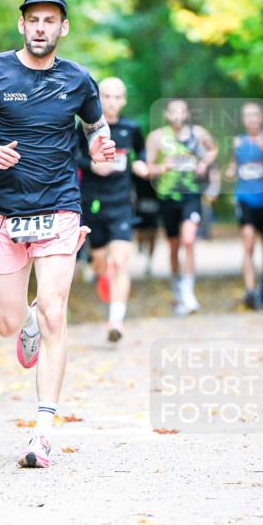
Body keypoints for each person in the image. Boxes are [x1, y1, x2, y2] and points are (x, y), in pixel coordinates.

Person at [0, 0, 115, 469]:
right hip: (4, 210)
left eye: (50, 20)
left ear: (64, 28)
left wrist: (102, 145)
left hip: (60, 205)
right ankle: (30, 316)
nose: (41, 28)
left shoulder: (78, 79)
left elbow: (97, 127)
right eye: (33, 20)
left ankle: (42, 433)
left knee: (58, 312)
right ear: (22, 25)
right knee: (7, 324)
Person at [76, 77, 148, 342]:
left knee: (120, 261)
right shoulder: (85, 128)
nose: (112, 102)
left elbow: (141, 154)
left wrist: (141, 164)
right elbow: (72, 156)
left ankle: (116, 319)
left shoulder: (132, 128)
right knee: (100, 263)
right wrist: (91, 164)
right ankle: (101, 273)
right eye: (107, 96)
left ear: (124, 100)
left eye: (117, 97)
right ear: (97, 98)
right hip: (93, 202)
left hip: (121, 203)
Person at [145, 99, 218, 315]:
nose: (177, 115)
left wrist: (204, 163)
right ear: (167, 114)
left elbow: (213, 150)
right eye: (173, 111)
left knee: (189, 240)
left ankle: (189, 293)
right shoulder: (157, 137)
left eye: (181, 111)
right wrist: (162, 167)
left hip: (191, 194)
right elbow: (148, 168)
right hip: (167, 196)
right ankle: (177, 290)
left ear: (186, 114)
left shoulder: (199, 134)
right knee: (174, 246)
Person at [225, 101, 263, 309]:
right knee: (248, 243)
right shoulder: (238, 142)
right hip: (245, 199)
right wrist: (230, 171)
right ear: (243, 120)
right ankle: (250, 290)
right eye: (247, 116)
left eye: (255, 115)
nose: (251, 119)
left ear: (261, 119)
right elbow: (233, 168)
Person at [133, 172, 160, 275]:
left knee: (153, 234)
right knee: (139, 231)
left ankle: (149, 261)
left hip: (155, 205)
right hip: (140, 204)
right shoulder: (137, 169)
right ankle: (140, 246)